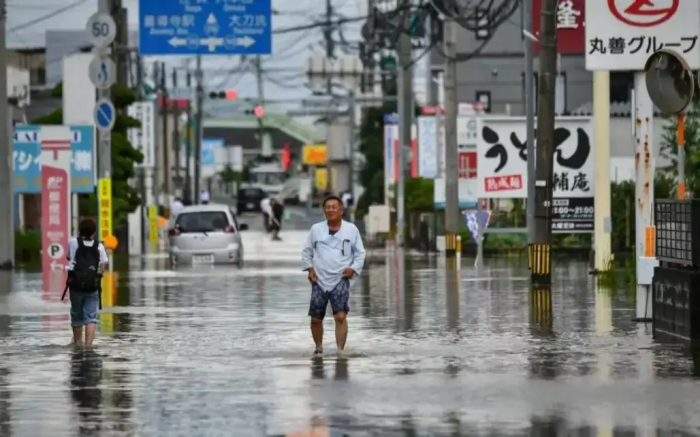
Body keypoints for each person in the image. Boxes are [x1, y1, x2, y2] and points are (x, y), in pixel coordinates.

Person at [302, 195, 366, 356]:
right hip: (319, 279)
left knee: (340, 316)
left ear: (341, 210)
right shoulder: (316, 229)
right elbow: (306, 252)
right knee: (316, 318)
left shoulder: (351, 230)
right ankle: (318, 347)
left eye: (333, 207)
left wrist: (353, 269)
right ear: (324, 210)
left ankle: (340, 350)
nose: (330, 210)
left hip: (341, 278)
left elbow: (360, 253)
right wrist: (310, 269)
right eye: (327, 207)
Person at [65, 219, 109, 348]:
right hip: (92, 286)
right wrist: (97, 276)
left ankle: (78, 344)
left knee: (77, 314)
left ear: (80, 230)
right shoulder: (99, 246)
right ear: (94, 232)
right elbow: (103, 266)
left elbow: (69, 258)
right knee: (91, 317)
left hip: (76, 285)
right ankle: (88, 346)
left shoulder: (73, 243)